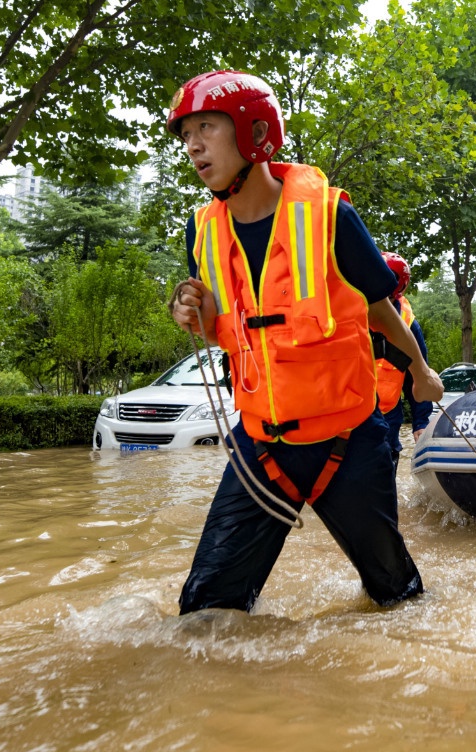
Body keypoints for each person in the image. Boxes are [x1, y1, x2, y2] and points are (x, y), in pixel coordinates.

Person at [167, 70, 443, 614]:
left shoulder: (330, 216)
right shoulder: (201, 231)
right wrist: (189, 312)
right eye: (184, 135)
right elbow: (219, 324)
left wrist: (420, 371)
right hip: (258, 446)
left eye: (206, 127)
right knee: (203, 613)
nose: (193, 146)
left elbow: (381, 309)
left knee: (398, 600)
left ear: (253, 132)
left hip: (348, 443)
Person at [374, 251, 433, 456]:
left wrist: (421, 422)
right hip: (352, 411)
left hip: (388, 414)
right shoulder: (351, 310)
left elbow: (418, 375)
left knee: (386, 462)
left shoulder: (409, 325)